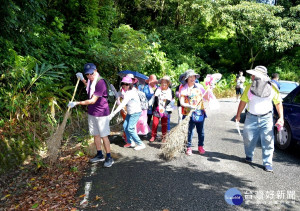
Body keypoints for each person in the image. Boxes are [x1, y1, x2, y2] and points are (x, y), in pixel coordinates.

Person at [235, 66, 284, 172]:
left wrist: (281, 117)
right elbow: (243, 102)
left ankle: (267, 162)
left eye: (254, 75)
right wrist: (238, 114)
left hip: (266, 118)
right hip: (251, 117)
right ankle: (249, 156)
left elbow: (278, 103)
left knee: (267, 140)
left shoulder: (272, 88)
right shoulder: (249, 87)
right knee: (248, 138)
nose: (252, 77)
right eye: (252, 75)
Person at [69, 63, 114, 167]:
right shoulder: (90, 80)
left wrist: (77, 103)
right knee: (96, 134)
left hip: (101, 113)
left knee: (104, 136)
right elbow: (88, 86)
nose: (90, 76)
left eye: (91, 73)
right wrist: (82, 79)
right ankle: (99, 154)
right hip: (92, 112)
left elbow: (93, 100)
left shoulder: (100, 82)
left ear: (96, 70)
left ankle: (109, 157)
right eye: (87, 74)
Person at [109, 76, 146, 150]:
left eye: (127, 84)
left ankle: (140, 144)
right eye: (123, 84)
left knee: (130, 128)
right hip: (130, 112)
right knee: (125, 126)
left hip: (135, 112)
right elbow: (118, 95)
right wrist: (115, 94)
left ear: (130, 85)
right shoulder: (126, 91)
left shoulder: (130, 92)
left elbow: (122, 104)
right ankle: (130, 142)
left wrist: (113, 114)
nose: (124, 85)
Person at [180, 69, 208, 155]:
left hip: (199, 113)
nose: (192, 78)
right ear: (187, 79)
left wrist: (209, 90)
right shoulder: (184, 88)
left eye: (194, 76)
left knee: (201, 131)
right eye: (190, 77)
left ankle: (200, 146)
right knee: (189, 131)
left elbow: (206, 97)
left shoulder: (200, 87)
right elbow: (181, 102)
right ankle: (188, 147)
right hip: (188, 113)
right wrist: (189, 106)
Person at [148, 76, 173, 142]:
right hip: (157, 108)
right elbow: (153, 98)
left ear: (168, 84)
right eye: (162, 82)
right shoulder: (158, 90)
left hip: (165, 109)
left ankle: (164, 137)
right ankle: (153, 136)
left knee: (164, 124)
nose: (164, 84)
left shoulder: (169, 91)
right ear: (160, 83)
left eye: (165, 83)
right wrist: (149, 104)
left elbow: (170, 100)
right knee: (155, 123)